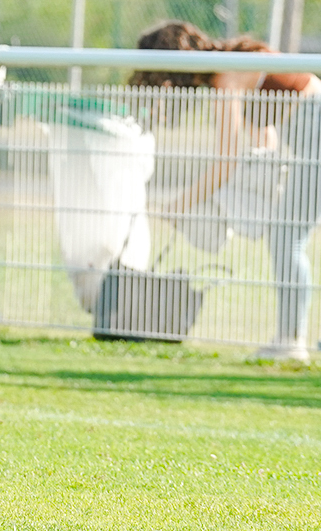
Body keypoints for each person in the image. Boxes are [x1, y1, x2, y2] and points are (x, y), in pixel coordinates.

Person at [132, 21, 321, 362]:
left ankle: (291, 342)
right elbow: (263, 134)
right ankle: (290, 339)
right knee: (286, 236)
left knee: (287, 238)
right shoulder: (235, 65)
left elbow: (226, 159)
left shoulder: (226, 77)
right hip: (309, 136)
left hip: (315, 135)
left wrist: (179, 205)